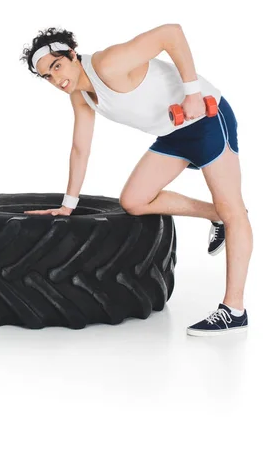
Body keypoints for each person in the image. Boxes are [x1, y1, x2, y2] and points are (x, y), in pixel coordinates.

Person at [19, 25, 252, 336]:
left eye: (57, 66)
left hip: (205, 117)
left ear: (73, 54)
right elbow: (80, 149)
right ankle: (217, 216)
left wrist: (193, 93)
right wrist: (68, 205)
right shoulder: (80, 96)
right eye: (47, 76)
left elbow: (172, 34)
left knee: (233, 207)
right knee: (134, 201)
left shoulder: (108, 64)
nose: (56, 80)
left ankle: (234, 310)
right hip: (173, 132)